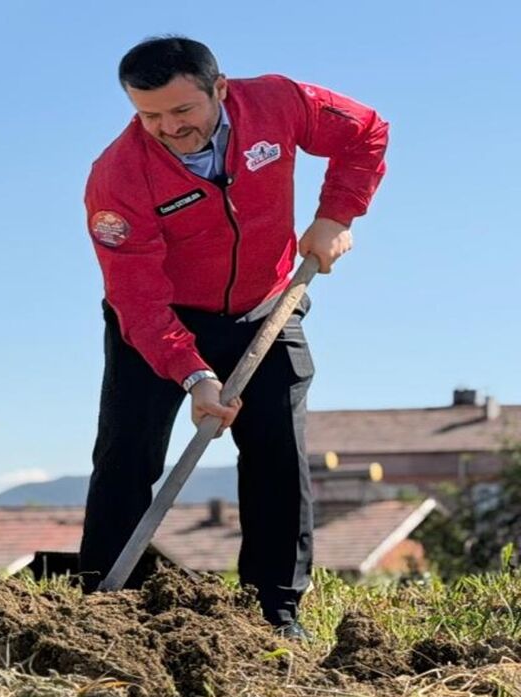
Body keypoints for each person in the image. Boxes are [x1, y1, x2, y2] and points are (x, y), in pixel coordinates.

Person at [78, 36, 388, 637]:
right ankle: (103, 611)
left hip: (265, 306)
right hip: (162, 322)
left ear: (219, 88)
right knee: (127, 454)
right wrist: (194, 373)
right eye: (150, 116)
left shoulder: (278, 103)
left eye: (182, 110)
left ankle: (276, 612)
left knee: (277, 451)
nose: (169, 128)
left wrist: (336, 214)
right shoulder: (118, 177)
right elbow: (137, 298)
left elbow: (366, 131)